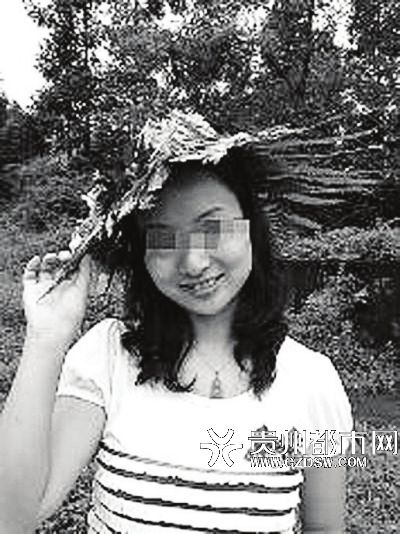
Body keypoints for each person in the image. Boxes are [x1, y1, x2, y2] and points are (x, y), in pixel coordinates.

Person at [0, 133, 353, 534]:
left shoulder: (314, 382)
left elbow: (325, 527)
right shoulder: (107, 357)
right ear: (143, 255)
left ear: (251, 228)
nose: (193, 262)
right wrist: (46, 338)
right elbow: (10, 519)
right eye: (164, 239)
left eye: (212, 228)